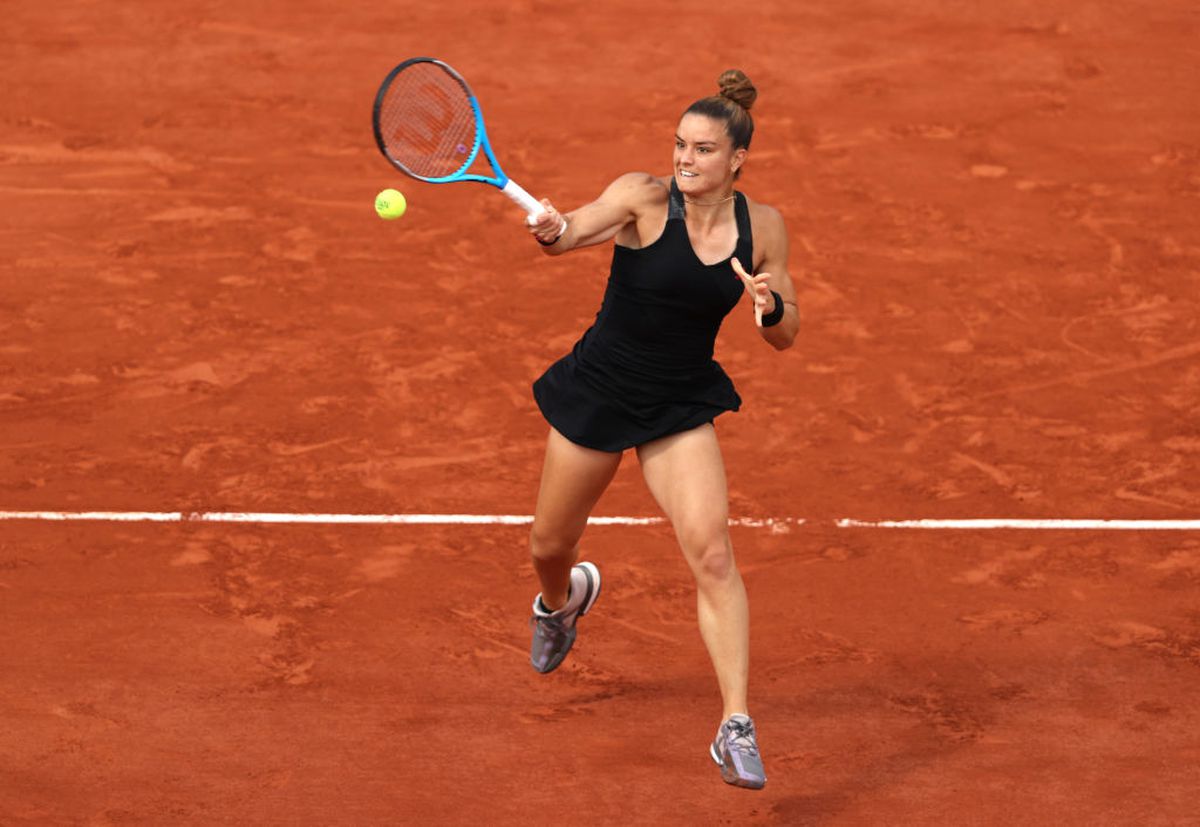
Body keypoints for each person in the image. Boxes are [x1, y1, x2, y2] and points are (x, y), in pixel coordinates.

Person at [523, 69, 799, 790]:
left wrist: (769, 308)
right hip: (601, 390)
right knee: (550, 546)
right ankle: (563, 601)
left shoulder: (762, 226)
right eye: (679, 144)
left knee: (713, 553)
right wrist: (555, 229)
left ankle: (735, 721)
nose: (684, 159)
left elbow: (786, 332)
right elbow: (575, 230)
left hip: (677, 403)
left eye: (702, 149)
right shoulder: (644, 199)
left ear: (737, 157)